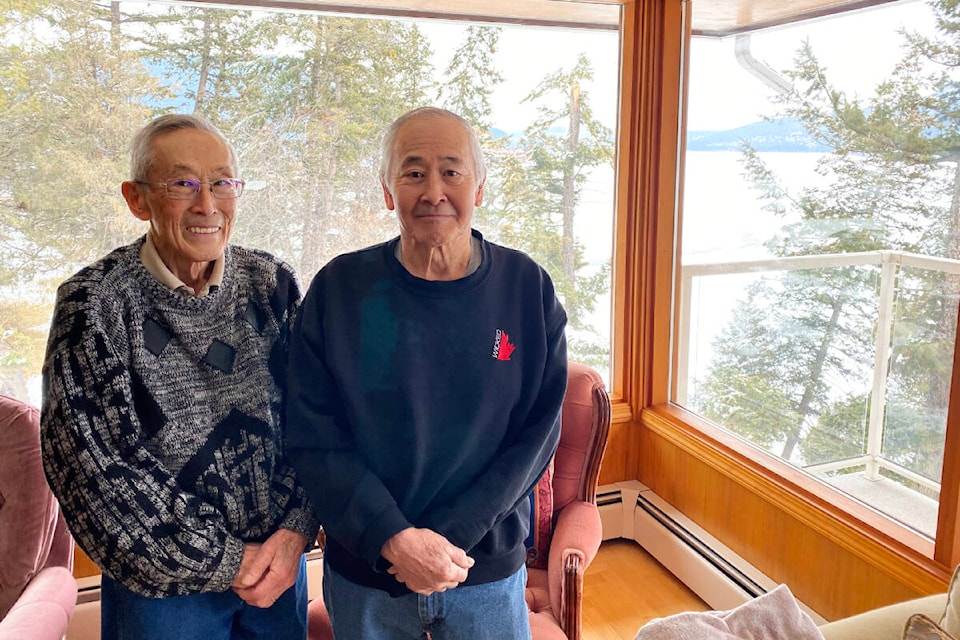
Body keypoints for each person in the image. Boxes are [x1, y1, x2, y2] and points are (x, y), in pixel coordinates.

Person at [286, 106, 568, 639]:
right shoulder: (340, 290)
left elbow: (539, 432)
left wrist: (449, 540)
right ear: (388, 190)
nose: (433, 190)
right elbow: (313, 435)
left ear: (479, 186)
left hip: (483, 572)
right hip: (368, 572)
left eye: (452, 171)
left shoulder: (526, 288)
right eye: (413, 172)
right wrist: (392, 538)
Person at [40, 113, 319, 640]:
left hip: (280, 568)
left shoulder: (272, 282)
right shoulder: (95, 304)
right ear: (137, 198)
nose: (207, 205)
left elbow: (318, 416)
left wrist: (295, 532)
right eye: (182, 184)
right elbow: (90, 468)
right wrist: (227, 560)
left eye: (221, 183)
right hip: (163, 590)